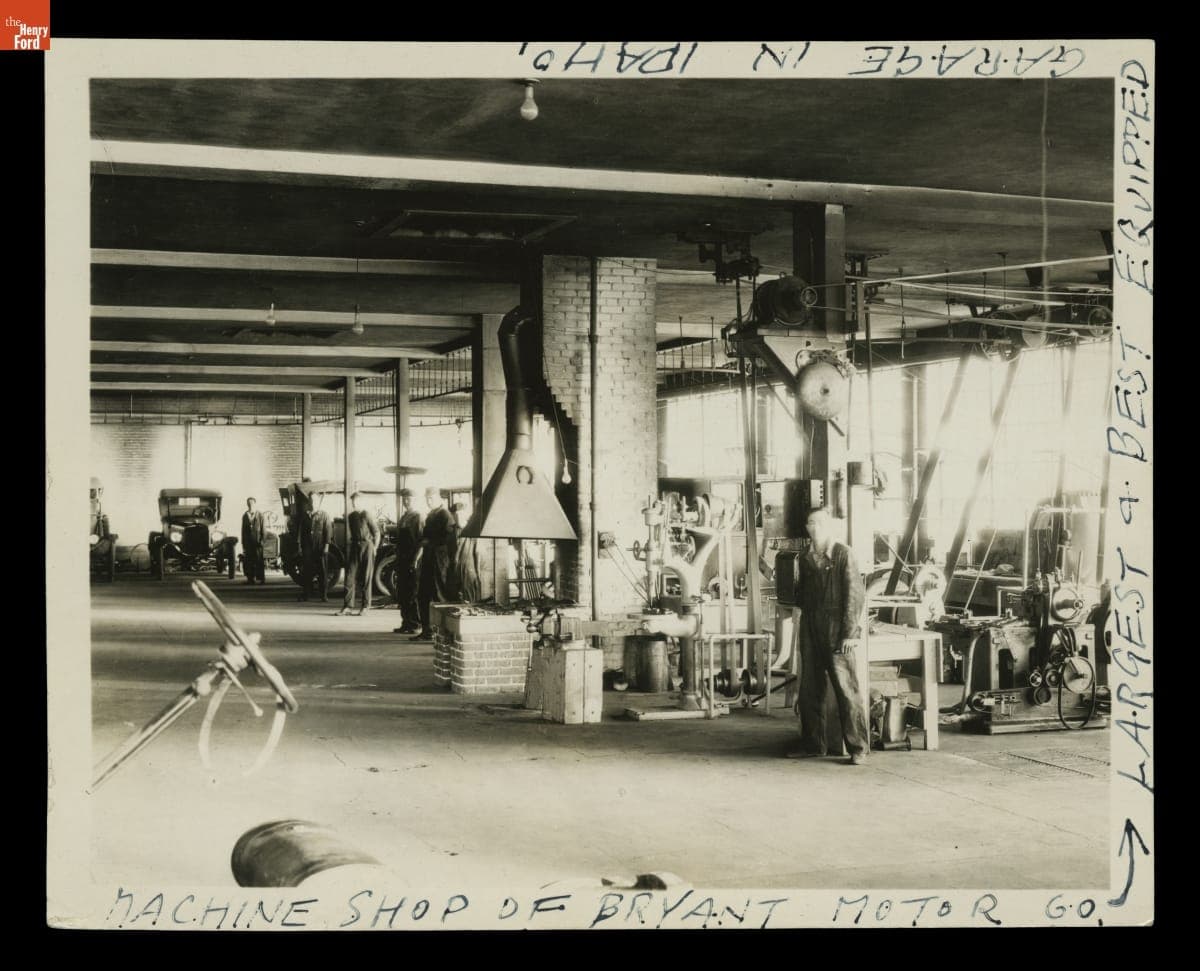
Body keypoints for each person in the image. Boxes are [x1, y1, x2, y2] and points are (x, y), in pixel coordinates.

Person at [789, 507, 870, 765]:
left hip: (836, 628)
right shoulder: (805, 558)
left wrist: (850, 633)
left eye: (817, 523)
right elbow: (801, 594)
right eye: (809, 523)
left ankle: (858, 747)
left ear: (828, 526)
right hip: (810, 626)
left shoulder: (843, 554)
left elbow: (855, 596)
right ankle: (813, 744)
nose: (812, 528)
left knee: (846, 688)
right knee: (809, 688)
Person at [410, 486, 457, 640]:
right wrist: (419, 555)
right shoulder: (431, 515)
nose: (428, 501)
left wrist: (430, 543)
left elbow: (450, 541)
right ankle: (426, 631)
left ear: (438, 498)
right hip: (429, 560)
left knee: (440, 596)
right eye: (426, 498)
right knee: (423, 595)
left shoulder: (445, 515)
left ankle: (444, 633)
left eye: (431, 498)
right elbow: (425, 539)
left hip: (441, 561)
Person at [337, 491, 380, 616]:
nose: (355, 503)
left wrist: (375, 547)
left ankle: (365, 606)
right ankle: (348, 607)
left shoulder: (367, 514)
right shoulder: (351, 517)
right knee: (349, 576)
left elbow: (376, 532)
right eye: (353, 501)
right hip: (355, 547)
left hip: (368, 546)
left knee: (367, 577)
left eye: (357, 501)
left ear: (361, 502)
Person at [391, 488, 424, 634]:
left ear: (415, 500)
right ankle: (406, 622)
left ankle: (415, 624)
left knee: (412, 593)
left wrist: (416, 559)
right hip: (402, 559)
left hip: (412, 559)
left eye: (409, 498)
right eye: (404, 498)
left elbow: (422, 541)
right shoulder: (404, 517)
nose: (406, 500)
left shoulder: (417, 517)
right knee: (402, 592)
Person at [300, 497, 333, 602]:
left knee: (322, 571)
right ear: (309, 502)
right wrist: (300, 546)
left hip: (320, 546)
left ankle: (323, 595)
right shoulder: (305, 516)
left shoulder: (324, 515)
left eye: (315, 500)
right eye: (311, 500)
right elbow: (301, 533)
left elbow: (328, 531)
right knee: (307, 571)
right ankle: (306, 594)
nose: (313, 502)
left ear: (319, 502)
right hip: (308, 547)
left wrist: (326, 546)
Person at [240, 497, 266, 584]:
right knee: (249, 561)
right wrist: (243, 543)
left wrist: (262, 541)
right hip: (248, 542)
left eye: (252, 503)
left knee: (259, 560)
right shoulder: (245, 515)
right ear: (247, 504)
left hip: (258, 542)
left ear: (255, 504)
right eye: (249, 503)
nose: (250, 504)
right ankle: (250, 579)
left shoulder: (260, 515)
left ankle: (261, 579)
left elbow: (263, 529)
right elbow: (243, 530)